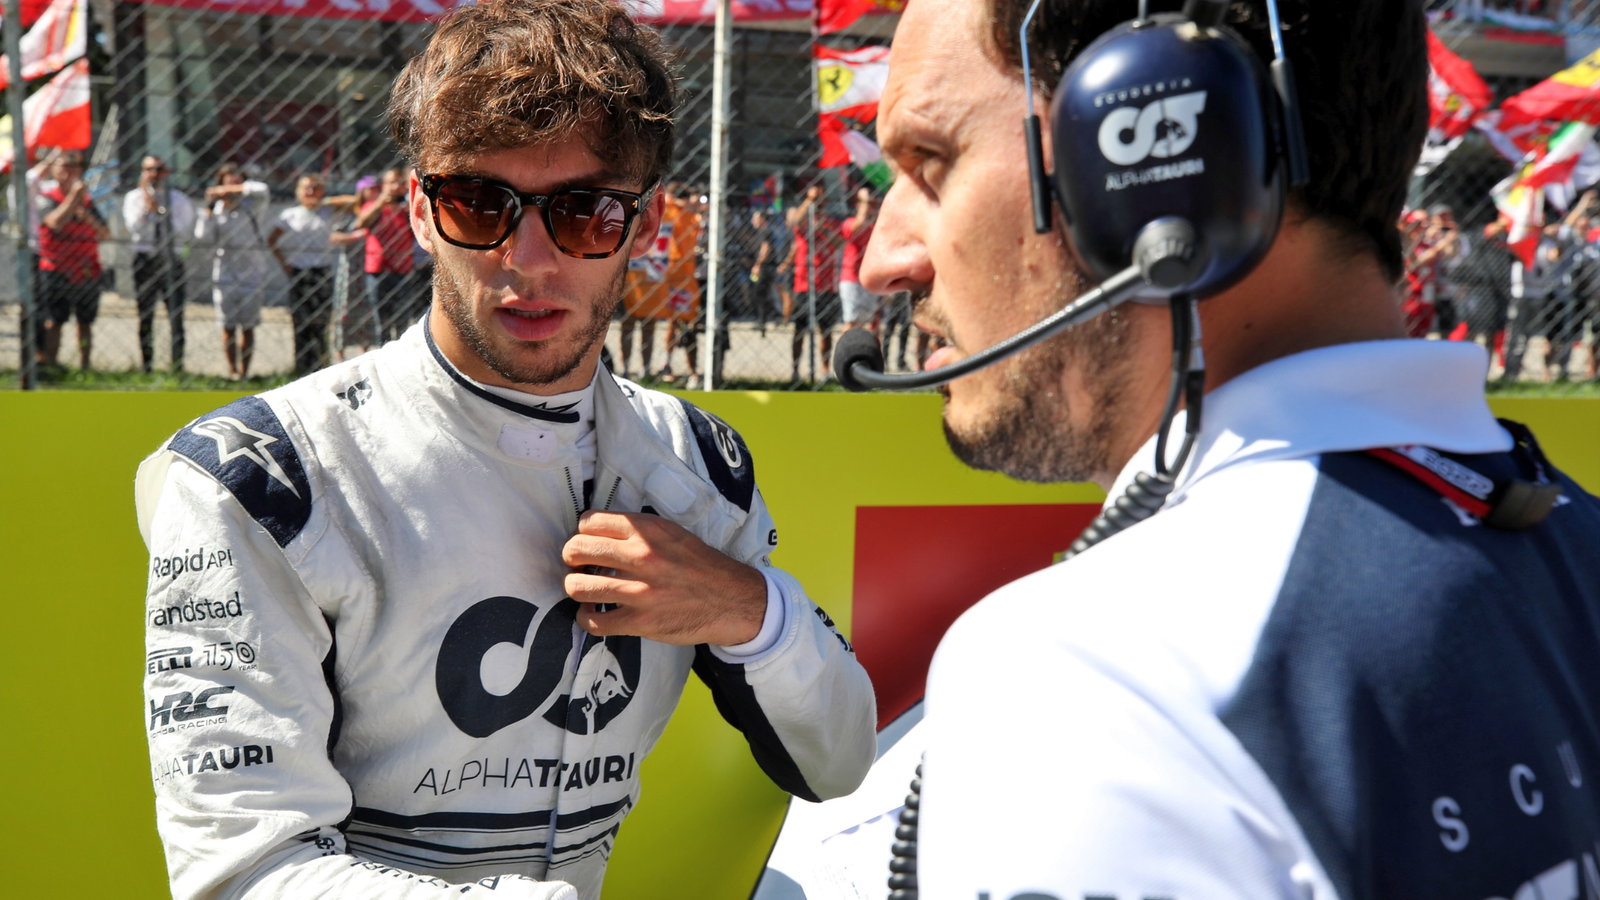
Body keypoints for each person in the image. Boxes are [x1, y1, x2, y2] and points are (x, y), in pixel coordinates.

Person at [855, 0, 1600, 897]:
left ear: (1160, 155)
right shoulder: (1565, 543)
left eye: (930, 164)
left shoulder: (1094, 676)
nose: (881, 259)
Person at [134, 2, 875, 899]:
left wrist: (751, 611)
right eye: (480, 203)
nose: (529, 259)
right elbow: (242, 874)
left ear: (642, 228)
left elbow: (837, 763)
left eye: (586, 212)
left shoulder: (696, 463)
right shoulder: (263, 477)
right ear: (418, 208)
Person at [268, 174, 362, 374]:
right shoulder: (290, 215)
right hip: (299, 271)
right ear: (297, 191)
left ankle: (320, 364)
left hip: (321, 271)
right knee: (300, 320)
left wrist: (323, 200)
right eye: (306, 188)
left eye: (315, 188)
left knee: (321, 320)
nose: (310, 192)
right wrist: (284, 264)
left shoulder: (327, 211)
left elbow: (354, 200)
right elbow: (272, 240)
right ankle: (301, 364)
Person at [195, 162, 273, 381]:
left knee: (248, 325)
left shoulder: (253, 205)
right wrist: (209, 209)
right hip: (225, 271)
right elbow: (202, 236)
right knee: (227, 325)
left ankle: (246, 372)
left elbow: (262, 189)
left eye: (237, 182)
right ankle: (232, 371)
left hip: (252, 272)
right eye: (227, 182)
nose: (231, 188)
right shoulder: (217, 210)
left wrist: (231, 190)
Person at [33, 149, 109, 370]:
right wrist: (73, 198)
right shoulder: (45, 198)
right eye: (64, 166)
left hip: (86, 269)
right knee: (55, 321)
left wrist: (83, 210)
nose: (69, 172)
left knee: (85, 322)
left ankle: (84, 365)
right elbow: (54, 222)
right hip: (57, 268)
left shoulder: (88, 201)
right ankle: (52, 363)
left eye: (74, 167)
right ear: (54, 171)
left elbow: (105, 234)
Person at [122, 154, 195, 373]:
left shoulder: (179, 199)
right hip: (144, 258)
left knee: (176, 313)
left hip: (171, 259)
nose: (153, 175)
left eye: (158, 169)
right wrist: (147, 206)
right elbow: (134, 229)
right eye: (148, 170)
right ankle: (147, 365)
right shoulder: (133, 198)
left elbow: (184, 232)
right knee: (145, 313)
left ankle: (177, 366)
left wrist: (161, 211)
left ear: (167, 173)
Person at [785, 185, 842, 384]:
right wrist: (809, 201)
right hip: (804, 283)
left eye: (820, 198)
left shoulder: (830, 222)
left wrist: (822, 227)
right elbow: (795, 220)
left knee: (826, 331)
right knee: (799, 329)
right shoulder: (803, 221)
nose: (818, 202)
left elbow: (839, 243)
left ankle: (825, 371)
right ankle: (795, 370)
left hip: (825, 284)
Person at [353, 166, 418, 342]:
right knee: (381, 318)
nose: (395, 186)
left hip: (403, 268)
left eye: (399, 182)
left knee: (403, 317)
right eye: (391, 182)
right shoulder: (374, 207)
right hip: (378, 268)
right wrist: (381, 202)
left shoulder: (407, 210)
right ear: (383, 185)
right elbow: (360, 223)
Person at [838, 187, 883, 337]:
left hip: (869, 279)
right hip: (851, 279)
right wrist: (864, 199)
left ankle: (872, 357)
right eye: (867, 203)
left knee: (873, 324)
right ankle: (846, 356)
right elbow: (859, 223)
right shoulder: (849, 223)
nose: (870, 206)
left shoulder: (874, 228)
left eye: (872, 203)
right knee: (852, 323)